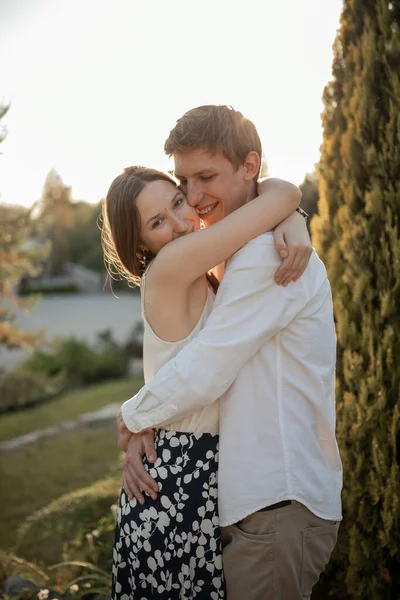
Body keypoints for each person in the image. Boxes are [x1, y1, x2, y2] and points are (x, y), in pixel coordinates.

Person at [118, 105, 343, 600]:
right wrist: (287, 206)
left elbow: (207, 368)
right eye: (184, 182)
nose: (194, 201)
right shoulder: (240, 254)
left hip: (277, 502)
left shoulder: (264, 257)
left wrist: (135, 415)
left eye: (204, 178)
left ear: (249, 166)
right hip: (260, 505)